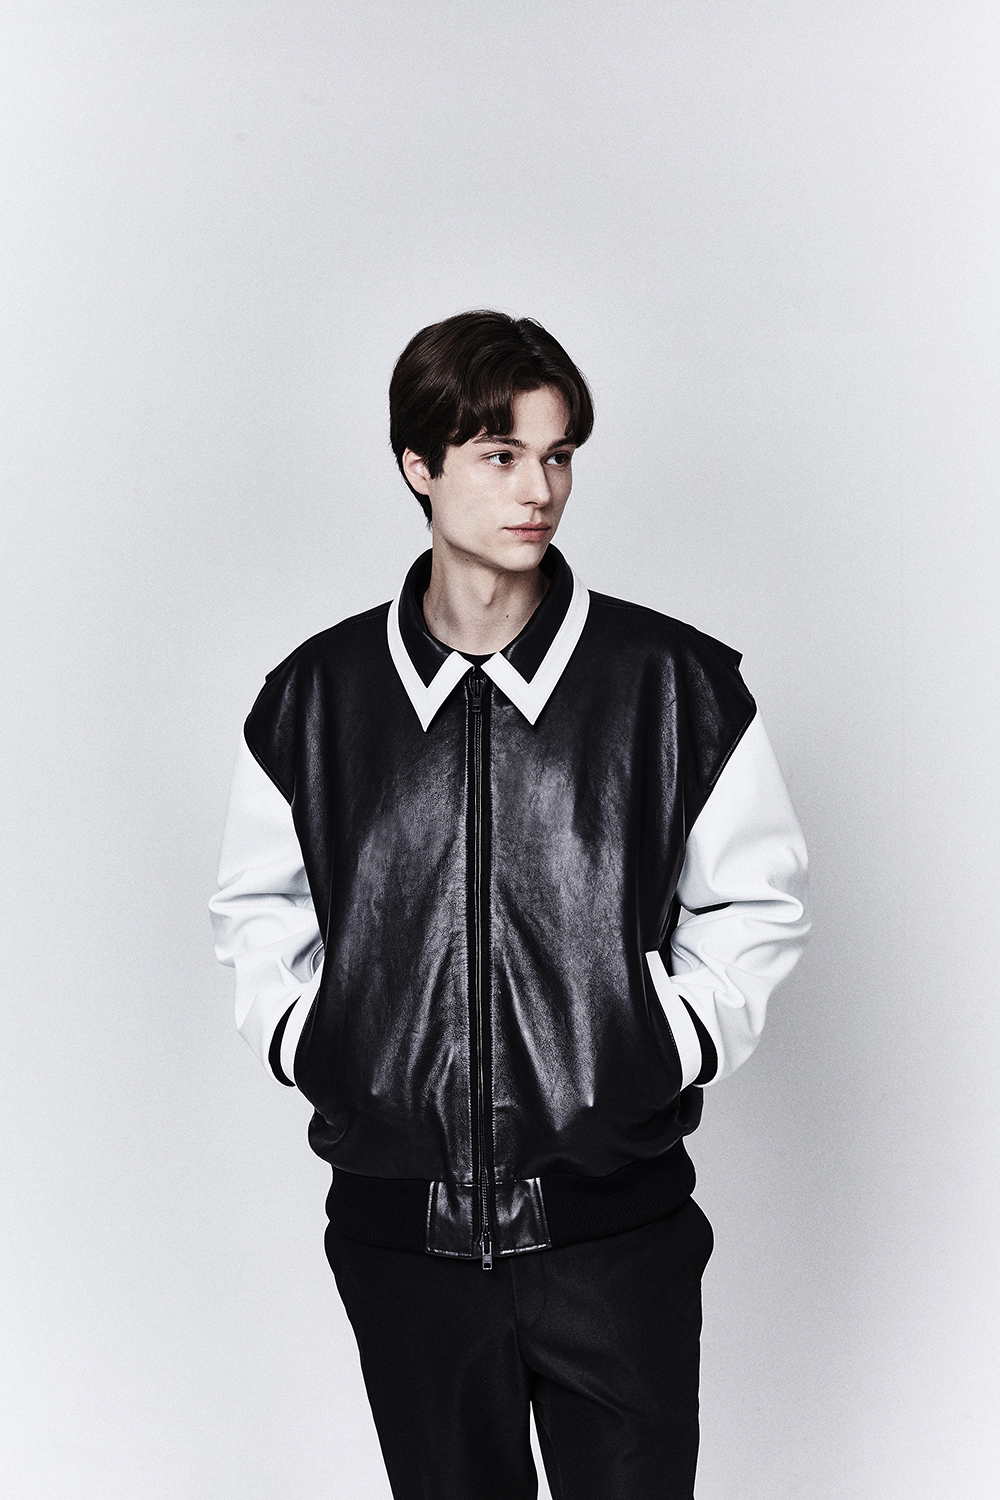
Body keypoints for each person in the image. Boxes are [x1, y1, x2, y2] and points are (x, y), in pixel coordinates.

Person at [209, 310, 810, 1500]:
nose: (539, 490)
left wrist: (661, 1039)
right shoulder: (316, 699)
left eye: (558, 455)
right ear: (418, 466)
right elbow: (257, 908)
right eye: (500, 455)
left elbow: (756, 902)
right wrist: (316, 1040)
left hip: (615, 1239)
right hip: (402, 1243)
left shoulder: (673, 685)